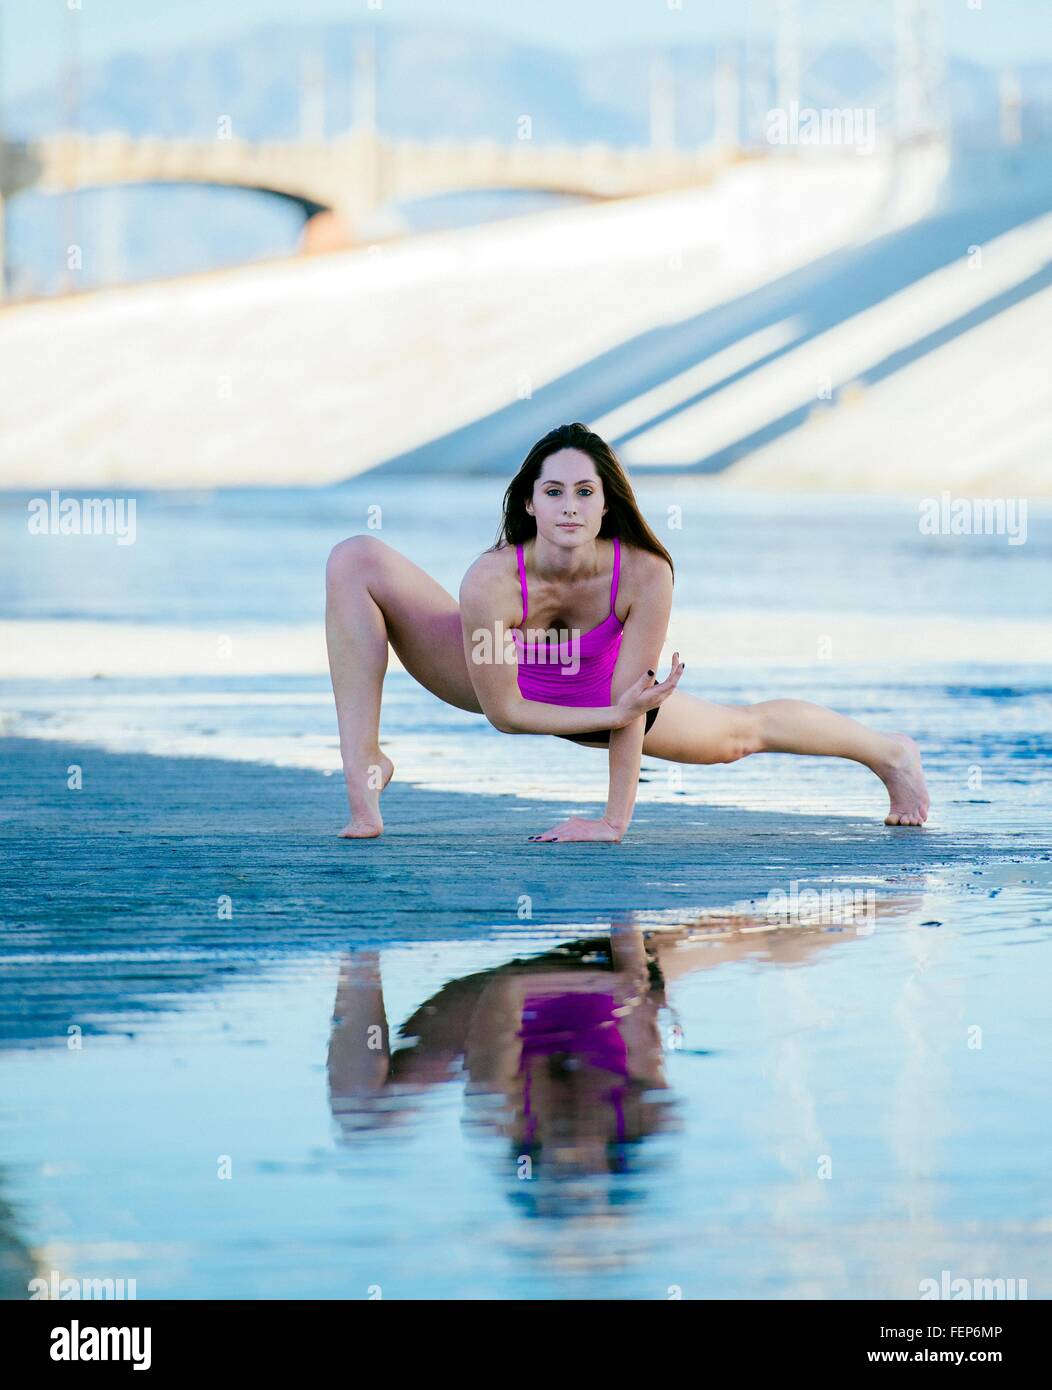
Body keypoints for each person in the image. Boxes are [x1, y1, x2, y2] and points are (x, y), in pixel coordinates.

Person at [325, 421, 929, 840]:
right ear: (530, 503)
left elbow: (630, 706)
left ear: (606, 503)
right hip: (488, 678)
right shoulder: (491, 580)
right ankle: (364, 764)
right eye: (554, 491)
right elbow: (504, 713)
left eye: (585, 492)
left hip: (602, 697)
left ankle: (890, 751)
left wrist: (612, 821)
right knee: (356, 556)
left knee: (741, 734)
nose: (570, 507)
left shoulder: (644, 574)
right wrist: (613, 716)